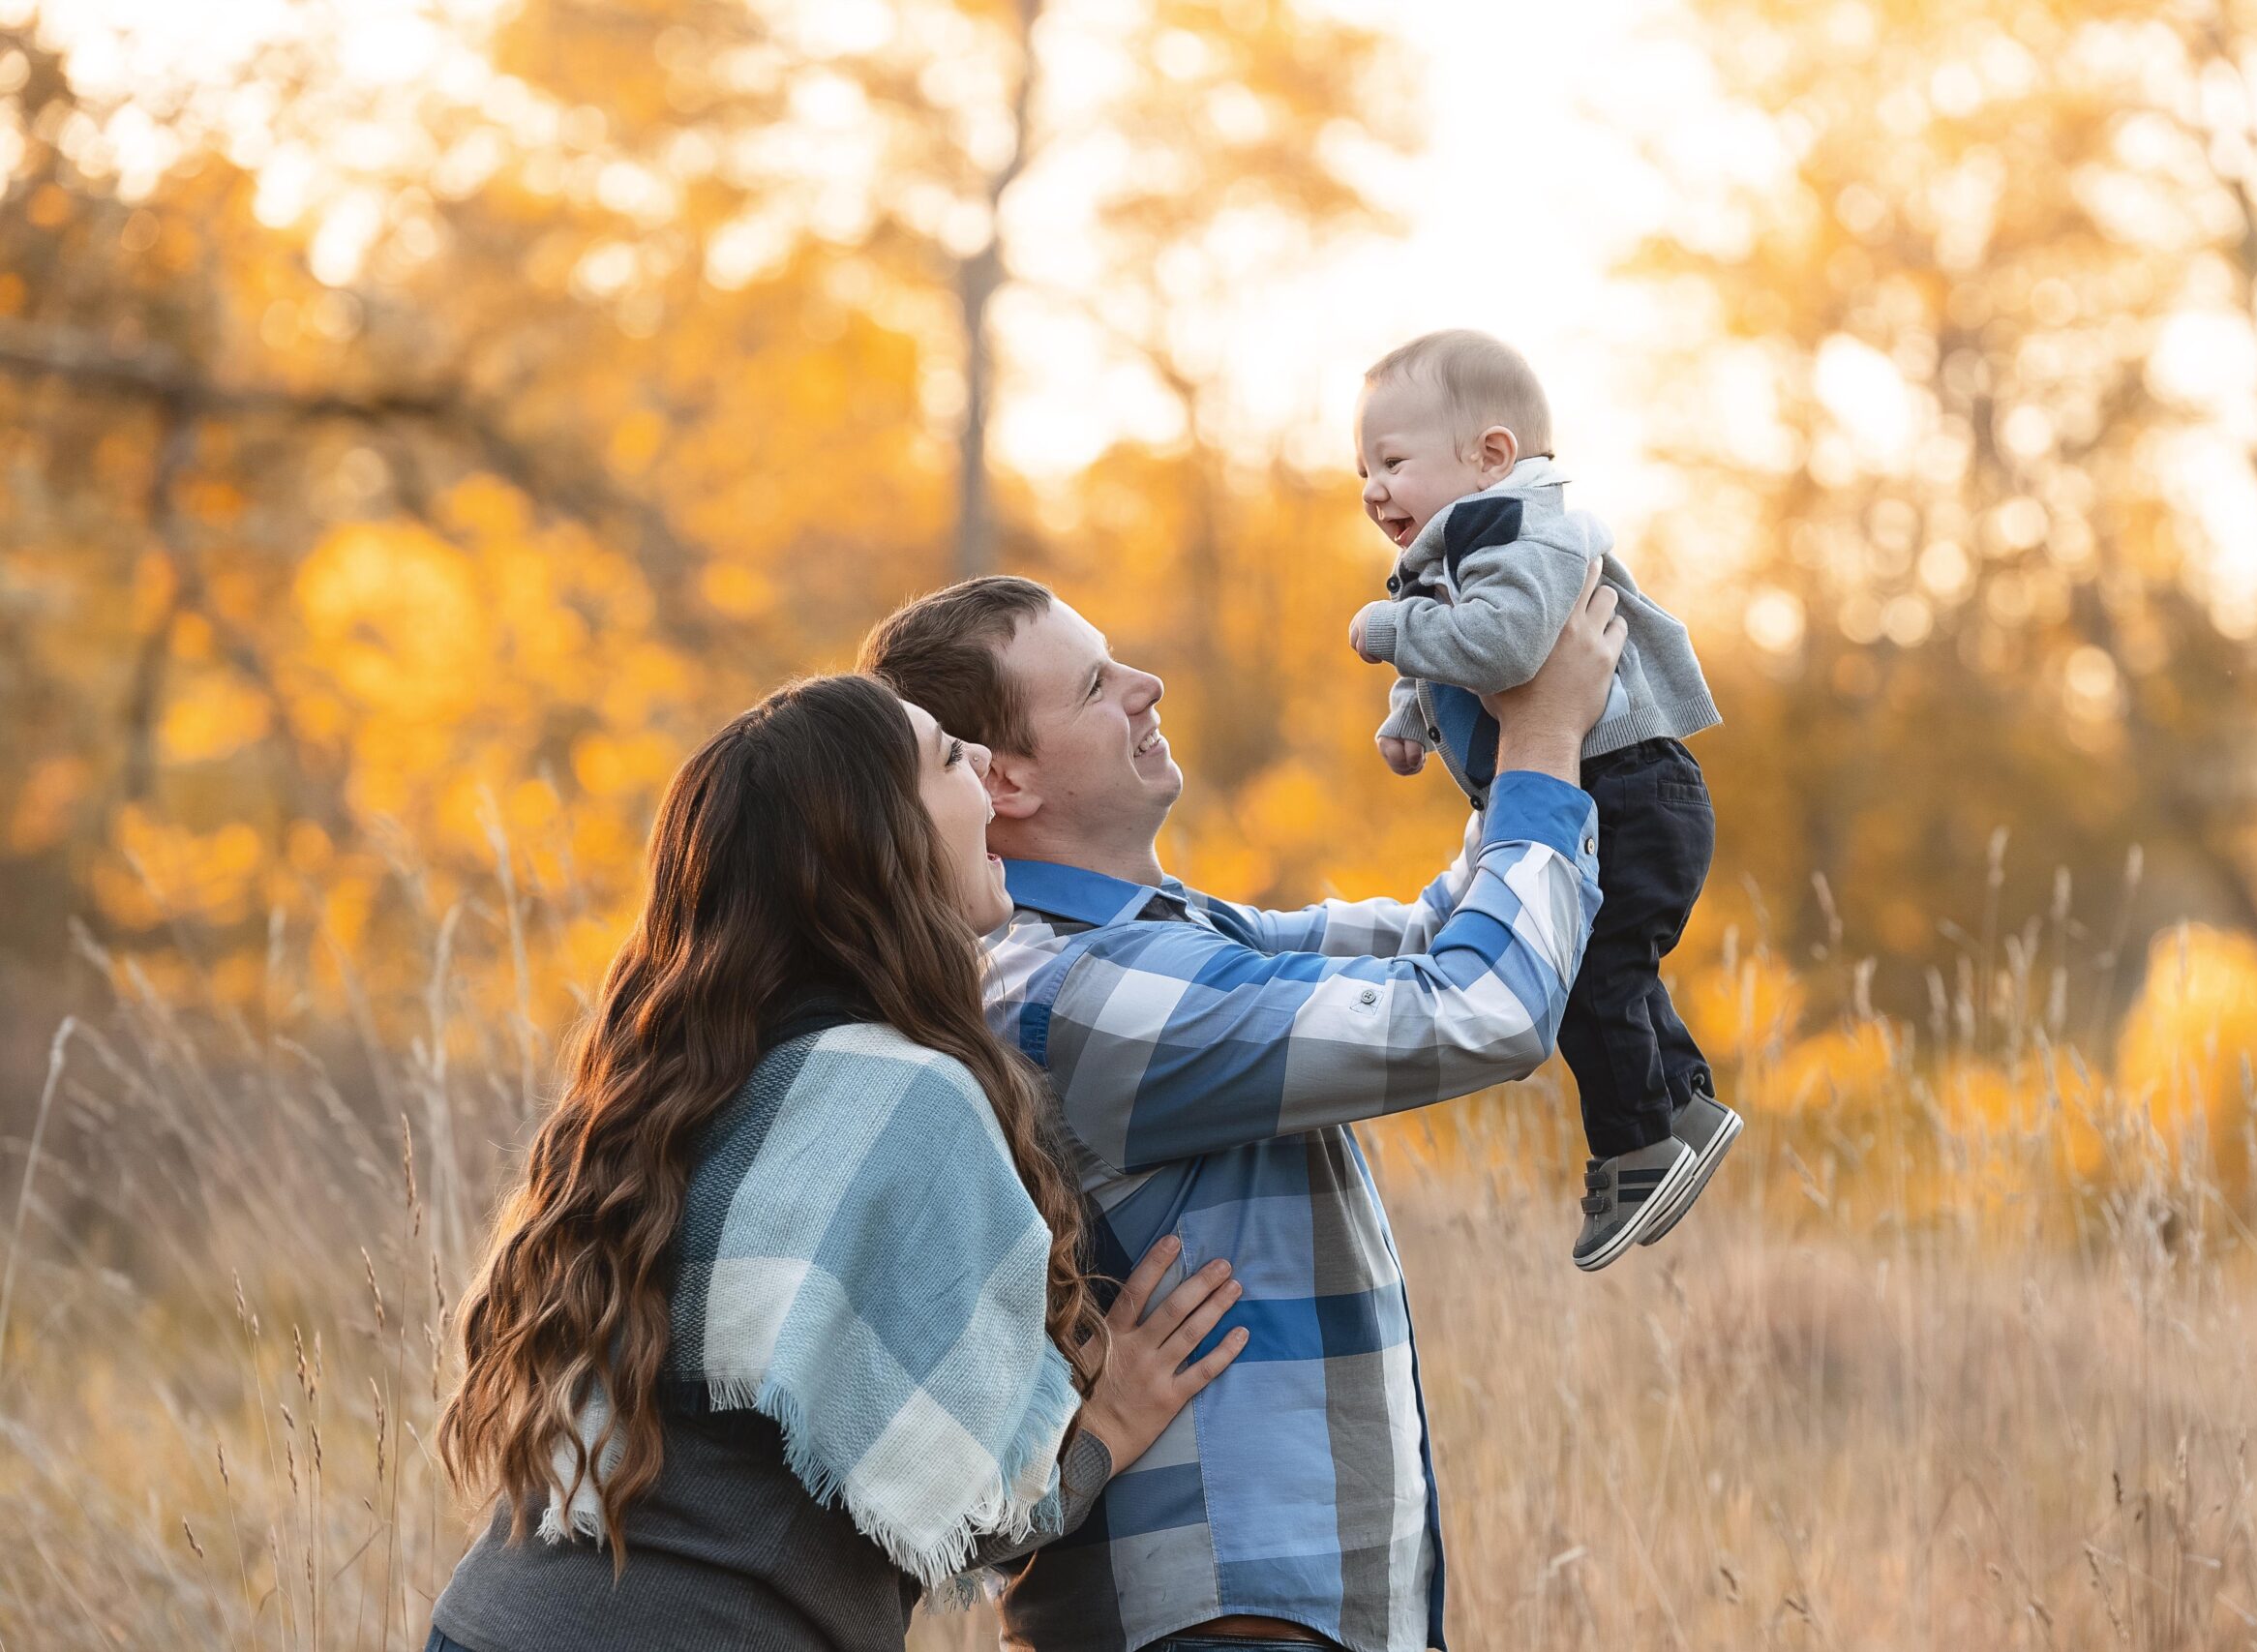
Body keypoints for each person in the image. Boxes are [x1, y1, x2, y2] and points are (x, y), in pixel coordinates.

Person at [860, 572, 1623, 1652]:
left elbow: (1439, 942)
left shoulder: (1164, 941)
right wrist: (1544, 745)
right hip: (1222, 1623)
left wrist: (1514, 726)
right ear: (1009, 780)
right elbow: (1483, 1007)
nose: (1146, 685)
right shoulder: (1076, 994)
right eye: (1092, 687)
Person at [426, 674, 1249, 1652]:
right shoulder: (912, 1102)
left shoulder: (671, 1089)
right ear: (880, 842)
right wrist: (1104, 1430)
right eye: (949, 758)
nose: (984, 763)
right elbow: (962, 1510)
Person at [1346, 328, 1739, 1272]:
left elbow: (1506, 646)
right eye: (1360, 471)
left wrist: (1385, 633)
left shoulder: (1524, 527)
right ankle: (1679, 1106)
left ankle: (1636, 1148)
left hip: (1629, 789)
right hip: (1606, 788)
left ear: (1489, 455)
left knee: (1584, 969)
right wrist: (1412, 710)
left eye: (1391, 463)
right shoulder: (1466, 546)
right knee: (1608, 965)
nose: (1370, 490)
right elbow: (1460, 638)